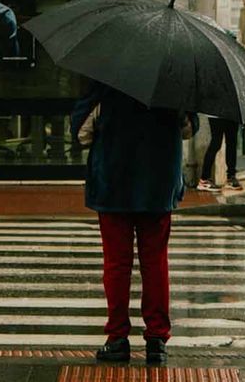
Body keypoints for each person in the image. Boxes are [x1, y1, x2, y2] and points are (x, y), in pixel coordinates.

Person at [73, 83, 189, 366]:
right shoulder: (173, 85)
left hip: (114, 182)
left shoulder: (106, 83)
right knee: (155, 261)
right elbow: (187, 129)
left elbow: (82, 134)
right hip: (158, 184)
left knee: (116, 262)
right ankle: (157, 339)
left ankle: (117, 338)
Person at [197, 116, 242, 192]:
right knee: (216, 142)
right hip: (216, 112)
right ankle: (204, 179)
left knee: (232, 142)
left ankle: (231, 176)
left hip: (232, 112)